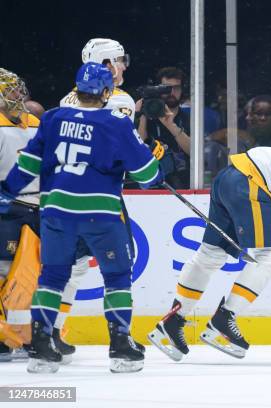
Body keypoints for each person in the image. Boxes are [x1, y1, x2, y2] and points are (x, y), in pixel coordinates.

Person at [0, 62, 161, 374]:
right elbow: (146, 173)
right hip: (100, 214)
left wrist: (8, 190)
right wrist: (154, 168)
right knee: (116, 277)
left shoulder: (53, 119)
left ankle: (43, 347)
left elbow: (30, 163)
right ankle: (120, 346)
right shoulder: (115, 123)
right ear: (105, 91)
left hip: (57, 212)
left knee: (53, 277)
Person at [148, 147, 271, 361]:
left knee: (211, 254)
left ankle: (172, 321)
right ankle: (223, 320)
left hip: (229, 176)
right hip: (251, 182)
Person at [55, 37, 145, 360]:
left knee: (70, 266)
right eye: (118, 61)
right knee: (119, 269)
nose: (122, 67)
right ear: (106, 64)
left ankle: (51, 332)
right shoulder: (121, 100)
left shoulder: (67, 99)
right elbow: (121, 152)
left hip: (64, 197)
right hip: (101, 198)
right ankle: (120, 339)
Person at [0, 68, 40, 362]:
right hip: (7, 210)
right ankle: (3, 337)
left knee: (35, 275)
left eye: (17, 88)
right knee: (3, 271)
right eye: (9, 90)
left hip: (40, 207)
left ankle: (29, 335)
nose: (17, 94)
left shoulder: (37, 123)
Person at [137, 66, 191, 188]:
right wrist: (143, 114)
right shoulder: (146, 118)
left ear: (183, 90)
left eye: (176, 88)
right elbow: (137, 149)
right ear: (157, 90)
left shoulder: (189, 118)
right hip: (150, 186)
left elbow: (195, 152)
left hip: (184, 186)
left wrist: (171, 125)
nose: (171, 93)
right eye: (166, 88)